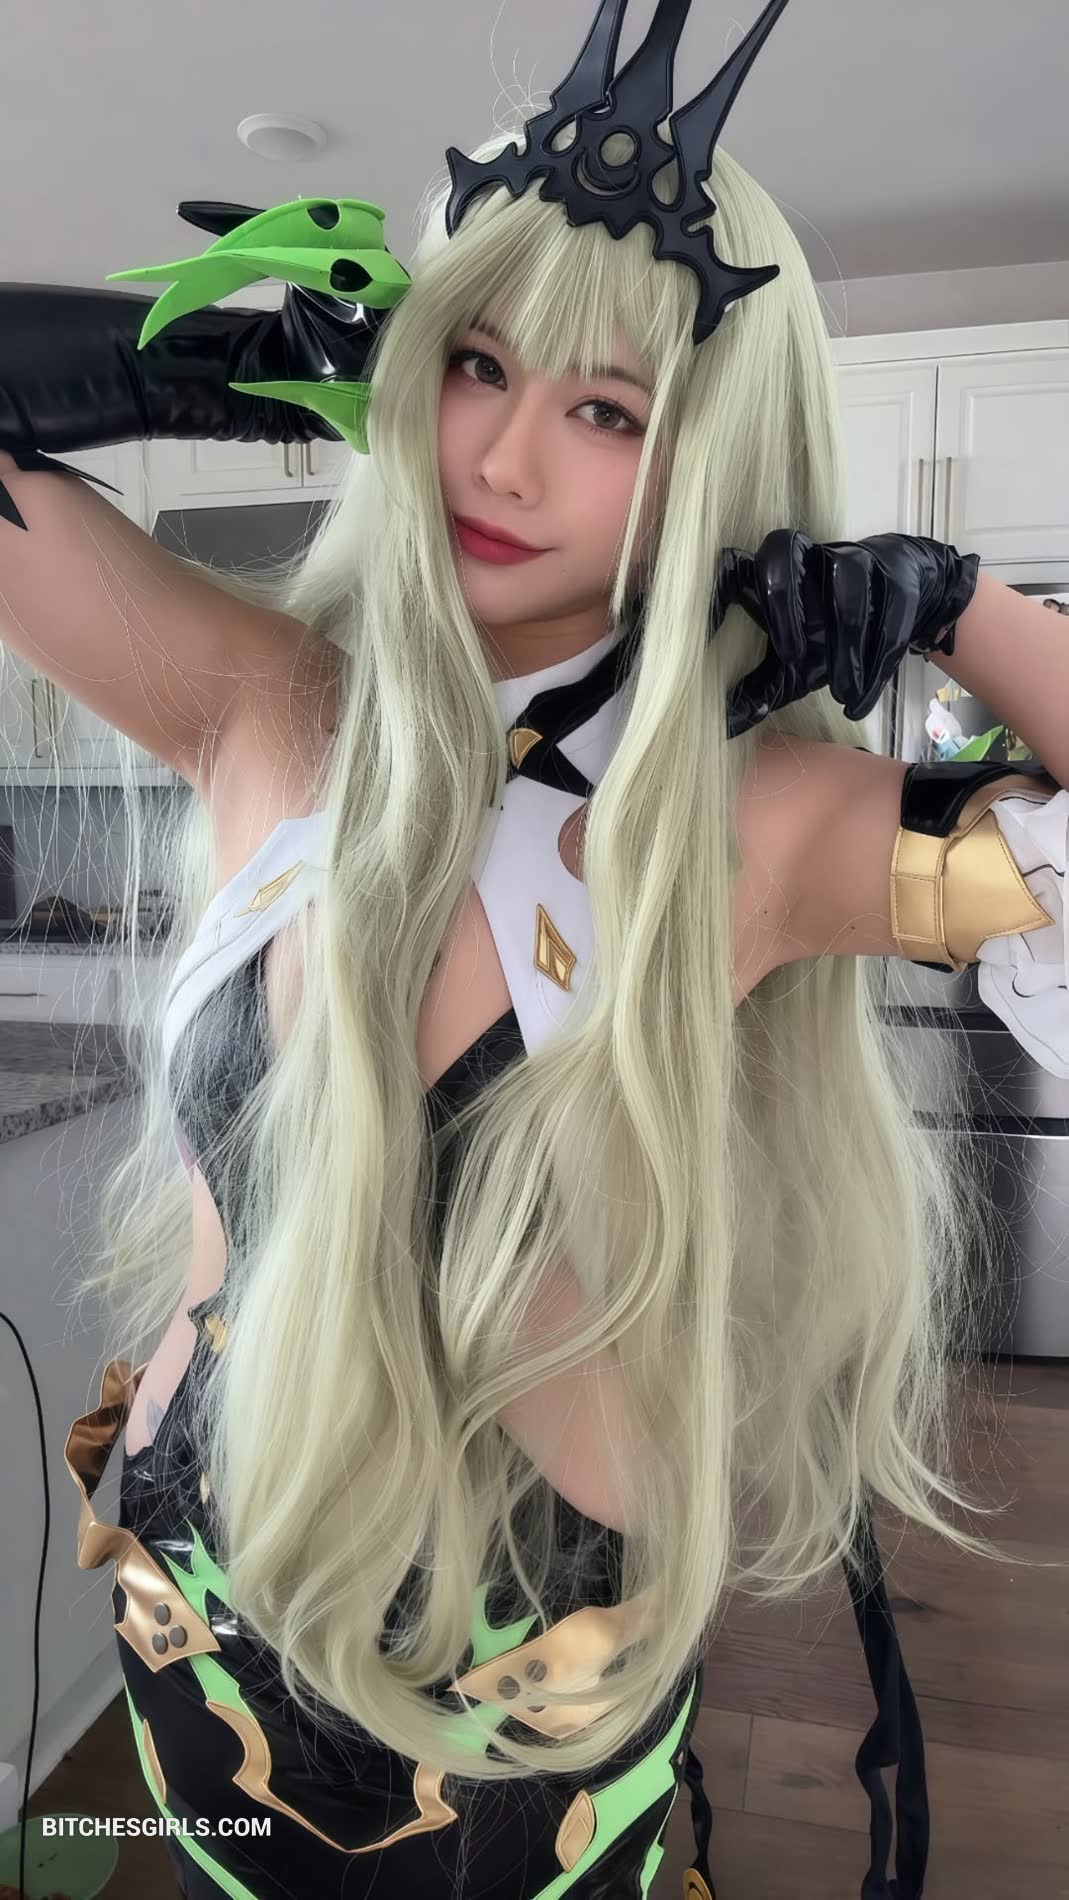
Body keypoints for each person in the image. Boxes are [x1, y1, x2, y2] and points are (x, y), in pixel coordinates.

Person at [3, 1, 1068, 1894]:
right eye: (474, 366)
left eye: (604, 412)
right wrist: (234, 371)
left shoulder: (757, 825)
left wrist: (955, 599)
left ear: (707, 459)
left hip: (516, 1679)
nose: (497, 461)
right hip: (194, 1598)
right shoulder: (268, 705)